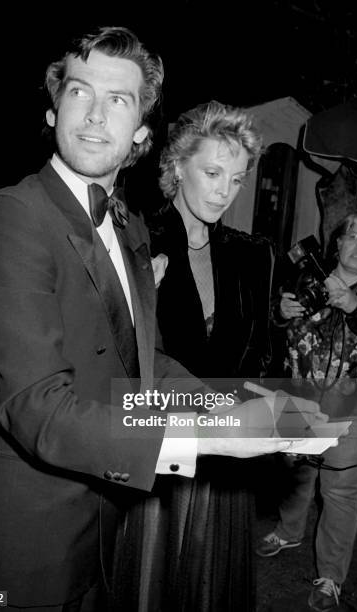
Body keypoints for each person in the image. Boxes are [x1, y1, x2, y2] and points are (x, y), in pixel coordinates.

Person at [0, 27, 325, 612]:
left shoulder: (127, 227)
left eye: (118, 100)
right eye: (80, 93)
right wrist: (222, 432)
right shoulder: (12, 217)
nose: (96, 115)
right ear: (52, 112)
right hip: (19, 550)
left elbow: (145, 364)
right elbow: (38, 407)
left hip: (104, 527)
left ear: (141, 136)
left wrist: (238, 405)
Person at [145, 100, 275, 611]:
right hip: (159, 452)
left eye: (238, 178)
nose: (224, 191)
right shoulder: (135, 240)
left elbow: (260, 359)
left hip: (227, 458)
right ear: (178, 167)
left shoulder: (253, 254)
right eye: (213, 172)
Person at [256, 213, 357, 611]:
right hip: (299, 398)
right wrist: (279, 313)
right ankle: (288, 530)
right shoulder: (306, 274)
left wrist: (354, 305)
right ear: (337, 243)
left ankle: (331, 576)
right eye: (353, 235)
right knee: (296, 470)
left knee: (341, 491)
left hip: (352, 407)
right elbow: (269, 327)